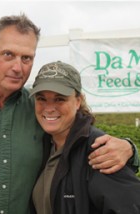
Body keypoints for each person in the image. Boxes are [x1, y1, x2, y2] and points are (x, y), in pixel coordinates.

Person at [0, 14, 137, 214]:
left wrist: (129, 149)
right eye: (8, 54)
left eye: (26, 58)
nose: (18, 67)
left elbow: (81, 137)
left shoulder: (40, 109)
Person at [30, 61, 140, 214]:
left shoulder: (100, 151)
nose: (49, 108)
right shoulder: (43, 145)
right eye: (41, 98)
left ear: (77, 101)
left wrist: (131, 150)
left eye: (59, 99)